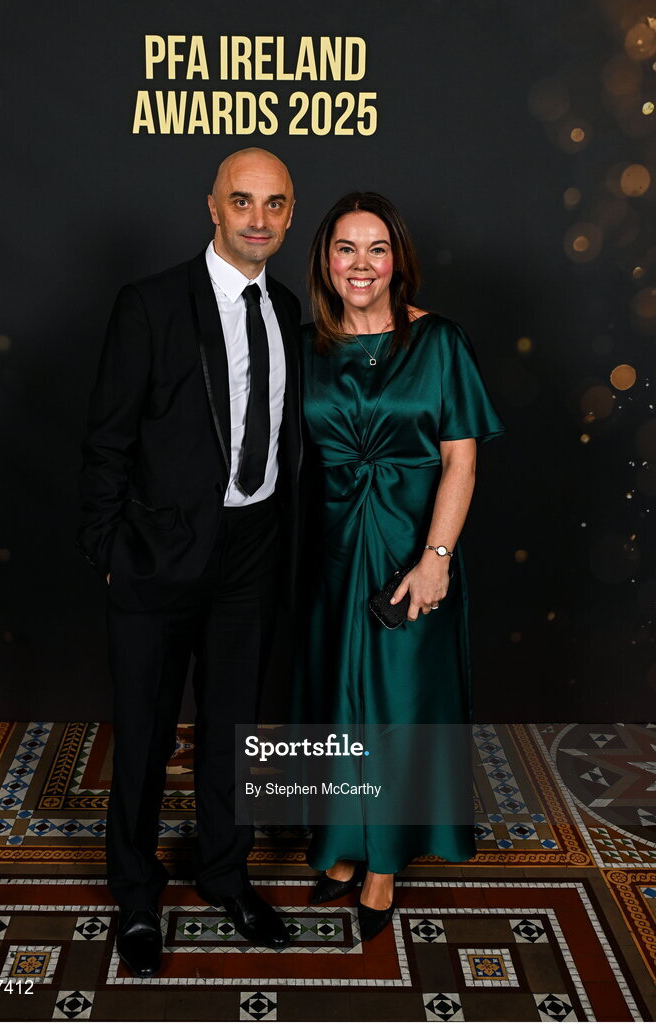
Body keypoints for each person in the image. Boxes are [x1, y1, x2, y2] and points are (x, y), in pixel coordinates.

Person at [76, 148, 302, 977]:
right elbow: (107, 440)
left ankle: (224, 875)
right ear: (211, 206)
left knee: (232, 729)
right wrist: (108, 551)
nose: (257, 218)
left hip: (251, 551)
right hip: (155, 558)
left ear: (288, 212)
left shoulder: (283, 306)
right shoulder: (151, 304)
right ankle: (136, 898)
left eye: (274, 204)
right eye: (241, 201)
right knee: (141, 735)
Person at [294, 191, 506, 942]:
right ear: (325, 259)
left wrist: (437, 559)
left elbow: (462, 461)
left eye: (376, 248)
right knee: (336, 704)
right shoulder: (304, 345)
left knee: (400, 710)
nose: (361, 264)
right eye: (346, 248)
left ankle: (384, 862)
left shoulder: (440, 341)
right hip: (330, 557)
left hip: (411, 554)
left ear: (398, 260)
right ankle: (344, 846)